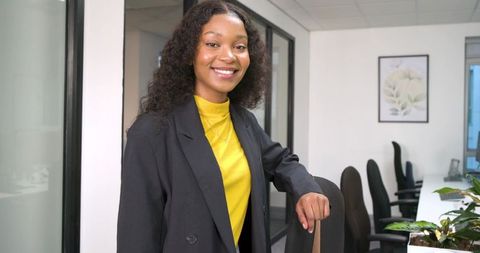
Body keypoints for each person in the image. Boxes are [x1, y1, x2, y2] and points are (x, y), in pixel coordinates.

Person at [117, 1, 329, 253]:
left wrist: (306, 188)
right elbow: (137, 237)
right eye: (213, 44)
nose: (229, 56)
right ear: (189, 52)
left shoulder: (243, 121)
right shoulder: (152, 131)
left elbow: (282, 161)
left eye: (239, 46)